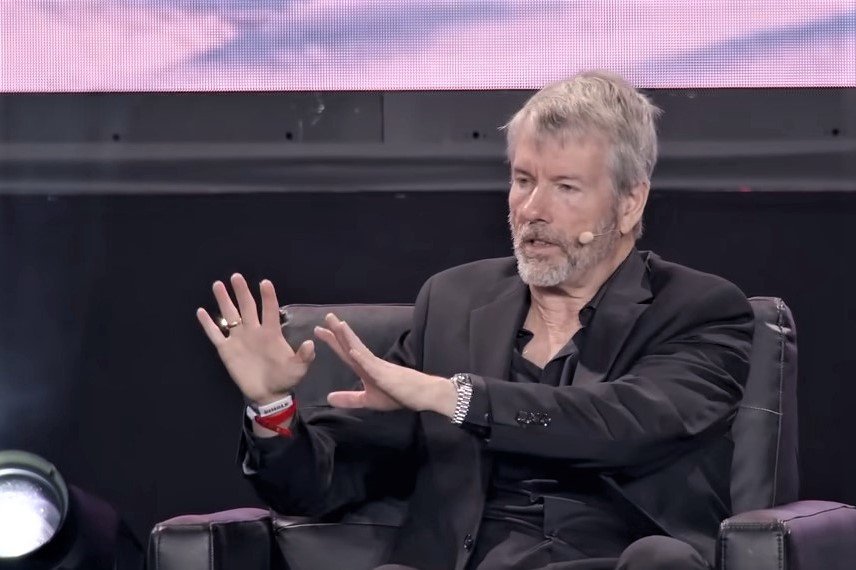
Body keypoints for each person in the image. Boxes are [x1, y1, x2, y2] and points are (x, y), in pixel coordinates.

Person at [197, 70, 754, 570]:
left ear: (630, 202)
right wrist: (273, 408)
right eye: (523, 180)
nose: (532, 209)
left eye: (565, 187)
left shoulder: (698, 310)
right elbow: (325, 482)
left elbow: (622, 424)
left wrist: (457, 397)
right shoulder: (454, 303)